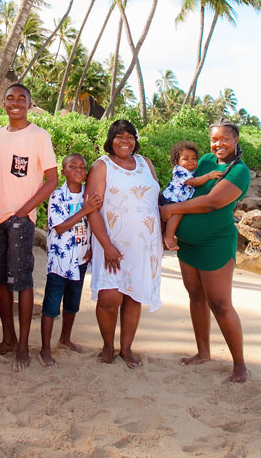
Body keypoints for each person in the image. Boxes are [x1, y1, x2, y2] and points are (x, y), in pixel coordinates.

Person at [160, 120, 251, 383]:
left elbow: (211, 202)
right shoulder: (207, 161)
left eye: (224, 139)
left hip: (215, 243)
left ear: (235, 140)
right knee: (196, 297)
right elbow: (185, 185)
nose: (218, 144)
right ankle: (203, 352)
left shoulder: (240, 172)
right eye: (214, 139)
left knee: (220, 304)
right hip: (188, 245)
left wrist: (172, 210)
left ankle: (240, 366)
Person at [0, 83, 58, 371]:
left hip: (21, 219)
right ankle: (8, 340)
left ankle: (24, 345)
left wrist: (25, 211)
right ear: (4, 104)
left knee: (23, 282)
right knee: (0, 281)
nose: (15, 103)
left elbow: (51, 179)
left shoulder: (39, 136)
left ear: (29, 103)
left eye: (21, 98)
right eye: (10, 98)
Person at [86, 120, 162, 368]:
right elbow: (92, 209)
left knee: (133, 297)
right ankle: (108, 346)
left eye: (130, 137)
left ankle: (126, 349)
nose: (125, 142)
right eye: (119, 137)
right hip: (112, 242)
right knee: (109, 298)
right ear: (111, 139)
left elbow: (155, 201)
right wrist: (107, 245)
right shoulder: (101, 166)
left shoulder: (145, 163)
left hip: (143, 245)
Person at [39, 154, 102, 367]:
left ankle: (65, 339)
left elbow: (95, 223)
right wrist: (85, 210)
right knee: (51, 305)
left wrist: (92, 246)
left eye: (82, 167)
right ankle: (45, 348)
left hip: (80, 258)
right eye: (72, 166)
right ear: (63, 172)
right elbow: (60, 227)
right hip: (60, 260)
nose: (78, 169)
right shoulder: (57, 196)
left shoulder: (89, 195)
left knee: (73, 303)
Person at [160, 141, 224, 251]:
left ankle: (163, 237)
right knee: (177, 215)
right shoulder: (179, 170)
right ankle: (169, 237)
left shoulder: (191, 171)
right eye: (186, 159)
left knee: (168, 221)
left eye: (194, 158)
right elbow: (193, 182)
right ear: (177, 161)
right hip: (171, 199)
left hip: (176, 200)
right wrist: (209, 176)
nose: (191, 161)